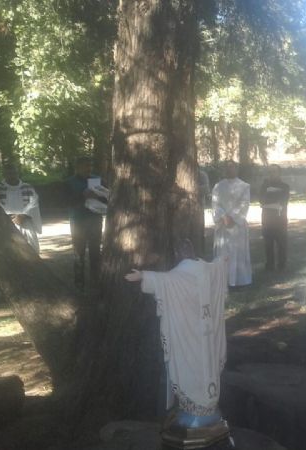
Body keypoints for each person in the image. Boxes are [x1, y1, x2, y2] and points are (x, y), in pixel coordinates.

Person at [124, 241, 229, 447]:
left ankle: (198, 411)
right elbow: (218, 267)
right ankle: (206, 409)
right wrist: (222, 261)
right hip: (207, 337)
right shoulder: (207, 269)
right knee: (206, 367)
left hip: (191, 338)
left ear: (178, 254)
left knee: (191, 366)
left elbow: (164, 281)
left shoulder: (179, 275)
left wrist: (143, 276)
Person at [66, 156, 106, 290]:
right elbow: (66, 202)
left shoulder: (97, 180)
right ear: (77, 167)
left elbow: (107, 198)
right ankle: (79, 284)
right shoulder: (69, 182)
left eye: (89, 166)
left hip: (95, 219)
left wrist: (99, 195)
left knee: (95, 252)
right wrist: (83, 195)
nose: (88, 168)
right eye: (84, 166)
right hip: (78, 221)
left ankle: (95, 282)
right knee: (79, 253)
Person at [212, 161, 251, 287]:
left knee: (238, 252)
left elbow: (244, 204)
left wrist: (233, 217)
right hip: (223, 225)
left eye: (232, 167)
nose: (230, 170)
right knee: (224, 252)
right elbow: (215, 203)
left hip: (237, 225)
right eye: (227, 168)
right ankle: (223, 280)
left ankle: (239, 280)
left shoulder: (244, 186)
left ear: (237, 169)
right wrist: (223, 216)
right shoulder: (218, 186)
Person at [0, 165, 42, 252]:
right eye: (9, 173)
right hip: (6, 223)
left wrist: (23, 215)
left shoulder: (27, 188)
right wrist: (9, 216)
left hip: (26, 223)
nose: (12, 175)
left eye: (14, 172)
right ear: (4, 174)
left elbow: (34, 203)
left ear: (18, 173)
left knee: (32, 250)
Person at [259, 164, 290, 271]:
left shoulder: (285, 186)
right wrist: (273, 201)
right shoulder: (264, 186)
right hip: (267, 219)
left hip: (280, 219)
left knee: (281, 243)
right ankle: (269, 265)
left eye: (274, 171)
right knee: (268, 243)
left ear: (279, 173)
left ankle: (282, 265)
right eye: (270, 172)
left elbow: (283, 202)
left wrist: (269, 199)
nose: (272, 174)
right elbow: (261, 201)